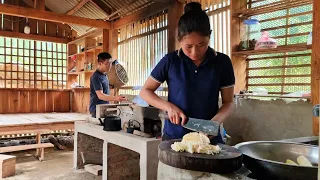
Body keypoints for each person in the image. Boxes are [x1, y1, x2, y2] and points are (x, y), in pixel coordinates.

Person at [139, 2, 235, 144]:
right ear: (179, 40)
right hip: (175, 138)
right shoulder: (170, 61)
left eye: (201, 45)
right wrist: (169, 107)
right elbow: (145, 91)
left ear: (209, 37)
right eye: (188, 46)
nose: (194, 52)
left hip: (209, 139)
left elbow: (228, 102)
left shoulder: (222, 62)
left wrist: (214, 123)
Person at [89, 52, 127, 118]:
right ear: (100, 63)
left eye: (110, 63)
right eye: (107, 64)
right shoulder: (96, 76)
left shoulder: (105, 75)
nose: (109, 66)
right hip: (97, 109)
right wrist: (116, 98)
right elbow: (100, 96)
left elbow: (106, 88)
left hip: (105, 107)